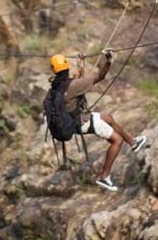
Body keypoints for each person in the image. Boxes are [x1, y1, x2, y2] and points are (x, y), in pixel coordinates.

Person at [48, 52, 146, 191]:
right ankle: (104, 176)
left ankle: (133, 143)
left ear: (54, 70)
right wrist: (109, 61)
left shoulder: (56, 88)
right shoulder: (72, 86)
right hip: (82, 122)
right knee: (117, 141)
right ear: (67, 66)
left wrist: (80, 64)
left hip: (73, 122)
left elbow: (76, 85)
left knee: (108, 118)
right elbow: (100, 76)